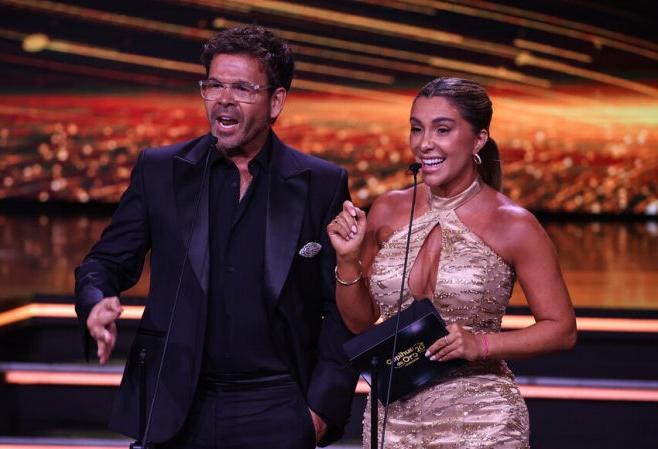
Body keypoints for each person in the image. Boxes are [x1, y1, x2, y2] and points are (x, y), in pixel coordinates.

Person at [75, 25, 357, 449]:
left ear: (276, 101)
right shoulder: (160, 171)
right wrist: (96, 301)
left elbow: (340, 307)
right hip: (175, 405)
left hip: (277, 405)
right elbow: (105, 263)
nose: (224, 99)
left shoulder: (321, 184)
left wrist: (320, 411)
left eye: (242, 88)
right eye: (214, 85)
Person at [327, 77, 577, 448]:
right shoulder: (387, 210)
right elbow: (360, 321)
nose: (424, 143)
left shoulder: (514, 224)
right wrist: (348, 260)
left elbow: (562, 330)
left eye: (442, 130)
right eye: (417, 129)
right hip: (393, 423)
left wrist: (483, 345)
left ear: (478, 139)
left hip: (482, 420)